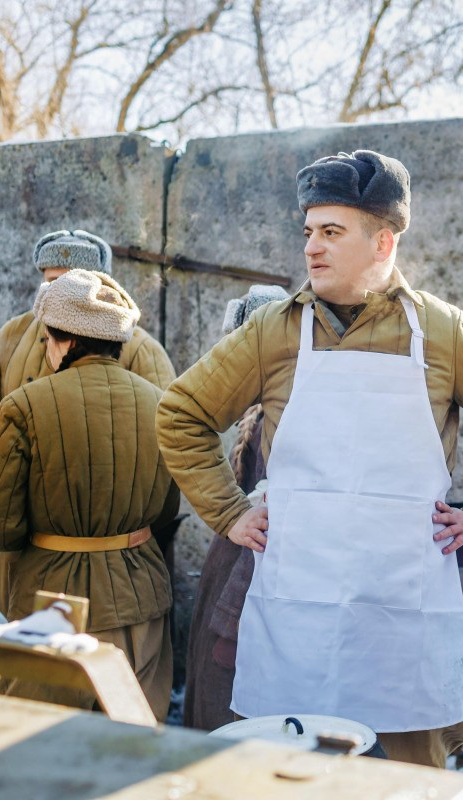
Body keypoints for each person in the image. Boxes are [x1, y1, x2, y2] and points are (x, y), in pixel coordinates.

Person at [157, 150, 463, 767]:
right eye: (309, 232)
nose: (312, 248)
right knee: (292, 770)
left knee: (403, 776)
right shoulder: (275, 332)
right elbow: (181, 413)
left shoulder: (441, 331)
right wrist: (229, 511)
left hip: (402, 609)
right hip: (297, 608)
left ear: (383, 242)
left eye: (332, 232)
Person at [0, 269, 179, 719]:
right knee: (133, 747)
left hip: (52, 609)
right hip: (141, 601)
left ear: (62, 339)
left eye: (46, 338)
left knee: (37, 751)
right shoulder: (162, 404)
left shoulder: (24, 405)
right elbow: (166, 510)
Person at [0, 230, 176, 609]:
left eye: (69, 282)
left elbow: (163, 451)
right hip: (26, 537)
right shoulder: (12, 336)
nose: (56, 293)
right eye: (50, 282)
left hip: (111, 545)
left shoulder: (139, 349)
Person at [183, 284, 288, 731]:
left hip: (242, 607)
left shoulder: (276, 426)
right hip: (227, 586)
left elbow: (266, 535)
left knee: (227, 720)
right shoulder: (257, 417)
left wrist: (227, 629)